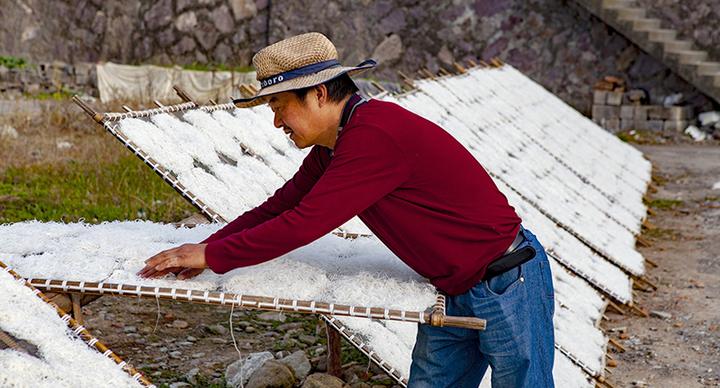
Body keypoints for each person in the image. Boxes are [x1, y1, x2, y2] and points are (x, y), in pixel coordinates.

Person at [138, 32, 555, 388]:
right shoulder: (336, 145)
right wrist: (206, 246)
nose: (277, 121)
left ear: (318, 94)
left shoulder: (373, 136)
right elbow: (281, 206)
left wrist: (212, 256)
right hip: (455, 287)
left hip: (507, 280)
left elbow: (304, 223)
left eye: (280, 106)